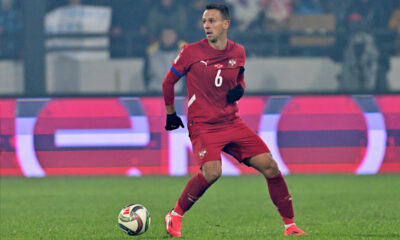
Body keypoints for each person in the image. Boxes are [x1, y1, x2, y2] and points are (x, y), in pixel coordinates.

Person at [162, 3, 307, 238]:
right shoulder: (190, 52)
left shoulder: (238, 51)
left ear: (225, 24)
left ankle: (290, 225)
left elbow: (239, 79)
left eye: (212, 21)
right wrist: (170, 113)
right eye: (204, 22)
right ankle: (176, 214)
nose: (207, 26)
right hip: (203, 125)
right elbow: (167, 82)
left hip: (231, 122)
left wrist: (239, 90)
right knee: (212, 172)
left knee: (270, 166)